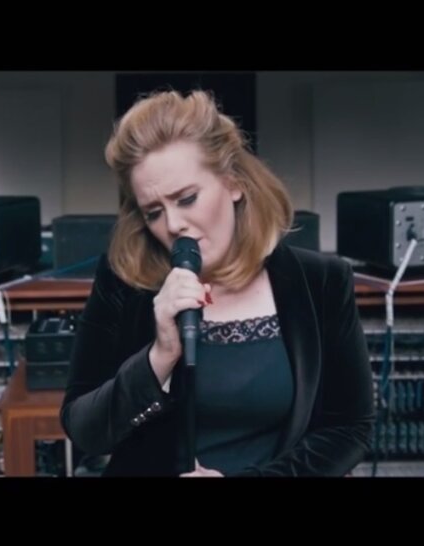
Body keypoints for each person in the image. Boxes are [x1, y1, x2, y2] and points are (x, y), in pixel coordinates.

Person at [59, 89, 375, 477]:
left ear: (234, 182)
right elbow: (85, 432)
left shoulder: (322, 282)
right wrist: (159, 357)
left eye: (186, 198)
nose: (173, 225)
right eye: (154, 212)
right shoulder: (124, 282)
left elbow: (348, 429)